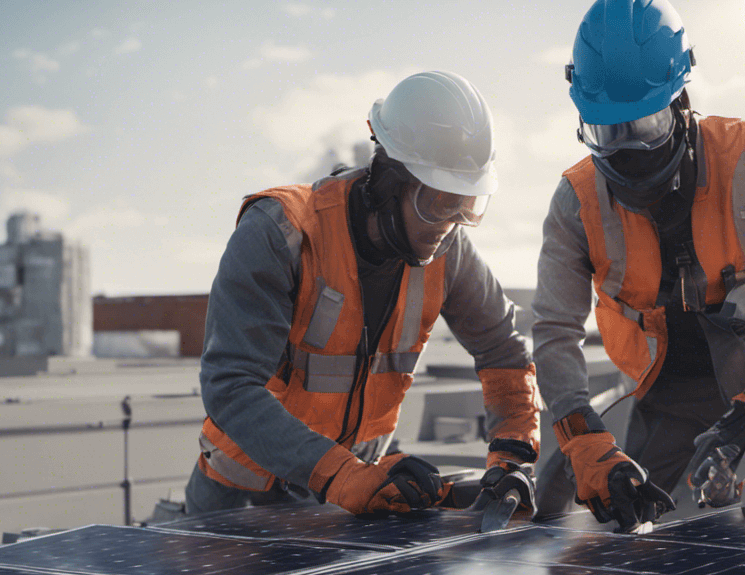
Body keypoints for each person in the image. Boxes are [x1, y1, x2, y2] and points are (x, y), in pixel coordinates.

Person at [532, 0, 745, 532]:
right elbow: (555, 330)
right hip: (666, 391)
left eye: (646, 125)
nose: (629, 151)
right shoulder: (576, 202)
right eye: (608, 132)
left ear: (681, 103)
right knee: (619, 518)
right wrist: (583, 439)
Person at [186, 71, 542, 517]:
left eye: (466, 206)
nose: (449, 224)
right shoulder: (281, 233)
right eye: (436, 203)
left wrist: (511, 460)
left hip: (353, 501)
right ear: (391, 180)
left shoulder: (448, 248)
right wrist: (341, 474)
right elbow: (231, 387)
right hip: (238, 506)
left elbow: (504, 352)